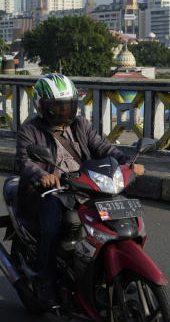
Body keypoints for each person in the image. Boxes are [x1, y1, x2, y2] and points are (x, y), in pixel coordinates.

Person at [15, 73, 145, 306]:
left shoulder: (81, 125)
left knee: (116, 215)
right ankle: (45, 283)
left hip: (86, 185)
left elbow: (104, 148)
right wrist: (43, 176)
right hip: (51, 192)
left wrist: (128, 163)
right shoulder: (30, 130)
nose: (63, 112)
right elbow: (24, 161)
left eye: (68, 107)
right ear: (42, 106)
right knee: (51, 226)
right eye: (58, 108)